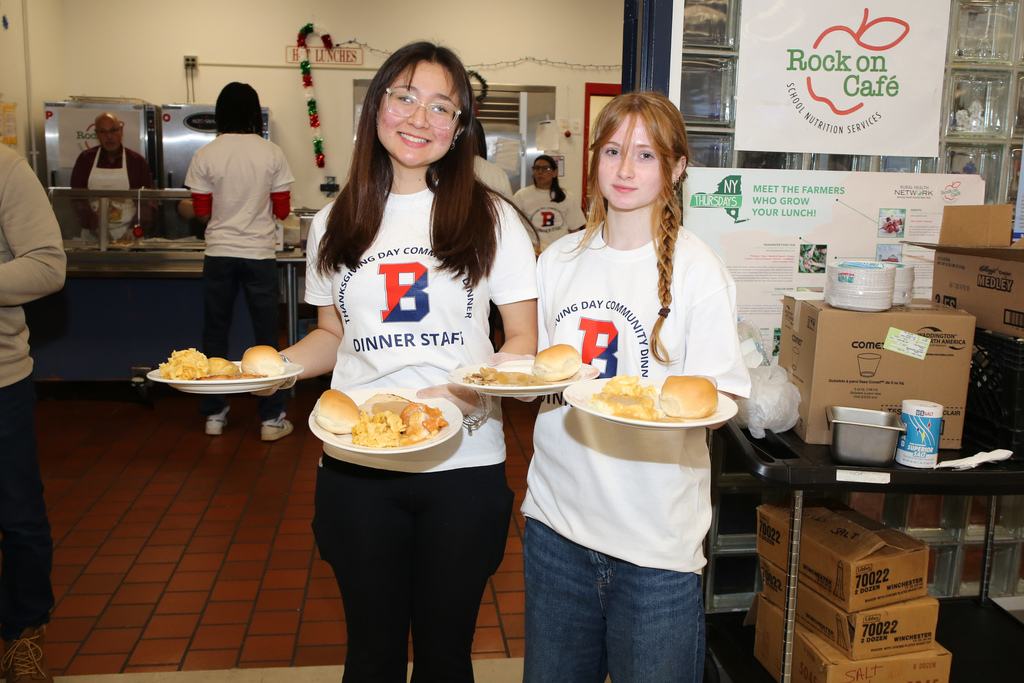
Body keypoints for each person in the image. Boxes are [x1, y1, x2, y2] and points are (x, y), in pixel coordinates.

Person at [267, 41, 537, 682]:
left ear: (460, 127)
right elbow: (332, 335)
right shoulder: (333, 221)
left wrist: (462, 394)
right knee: (371, 657)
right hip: (358, 465)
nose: (420, 119)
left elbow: (522, 340)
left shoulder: (493, 218)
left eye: (442, 107)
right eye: (405, 97)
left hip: (464, 462)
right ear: (376, 106)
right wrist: (275, 368)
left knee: (445, 660)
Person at [520, 91, 751, 682]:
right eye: (613, 151)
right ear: (593, 158)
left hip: (655, 545)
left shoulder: (699, 271)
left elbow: (722, 396)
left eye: (646, 155)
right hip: (556, 527)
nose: (625, 169)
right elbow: (539, 376)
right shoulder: (557, 261)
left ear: (676, 168)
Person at [183, 82, 295, 441]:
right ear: (253, 112)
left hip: (219, 253)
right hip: (259, 254)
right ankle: (271, 418)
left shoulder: (205, 154)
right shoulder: (272, 152)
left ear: (220, 113)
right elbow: (283, 210)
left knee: (215, 334)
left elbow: (201, 212)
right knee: (267, 338)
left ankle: (215, 413)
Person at [0, 144, 67, 683]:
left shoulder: (4, 168)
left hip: (1, 380)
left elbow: (46, 265)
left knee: (17, 514)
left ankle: (24, 635)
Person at [70, 112, 154, 241]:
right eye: (103, 132)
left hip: (129, 235)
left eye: (113, 130)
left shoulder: (137, 161)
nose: (109, 137)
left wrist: (134, 228)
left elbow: (148, 201)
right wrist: (97, 228)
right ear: (97, 134)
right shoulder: (85, 159)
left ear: (121, 131)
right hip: (94, 235)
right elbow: (77, 199)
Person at [512, 153, 585, 252]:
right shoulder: (521, 196)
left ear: (555, 172)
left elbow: (574, 230)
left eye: (545, 168)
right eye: (537, 168)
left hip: (560, 251)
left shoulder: (567, 196)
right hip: (533, 251)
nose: (540, 172)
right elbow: (512, 226)